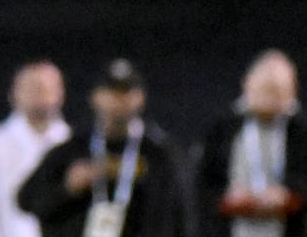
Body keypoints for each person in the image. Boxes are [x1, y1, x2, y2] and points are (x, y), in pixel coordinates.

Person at [17, 59, 184, 237]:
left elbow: (181, 215)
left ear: (140, 98)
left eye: (125, 93)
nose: (118, 101)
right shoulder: (73, 149)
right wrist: (67, 188)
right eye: (111, 93)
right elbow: (26, 200)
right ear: (96, 96)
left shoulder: (160, 154)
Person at [194, 50, 307, 237]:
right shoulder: (221, 129)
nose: (273, 98)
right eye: (268, 89)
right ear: (248, 84)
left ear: (292, 91)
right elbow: (200, 186)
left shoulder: (303, 132)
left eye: (279, 91)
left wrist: (288, 196)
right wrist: (227, 198)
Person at [0, 61, 71, 237]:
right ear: (15, 93)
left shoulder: (72, 143)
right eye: (34, 88)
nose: (43, 96)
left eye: (49, 88)